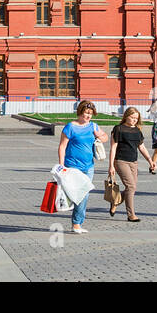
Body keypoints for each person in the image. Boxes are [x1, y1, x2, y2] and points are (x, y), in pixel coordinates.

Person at [57, 100, 108, 235]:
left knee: (84, 194)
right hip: (72, 166)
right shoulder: (70, 127)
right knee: (78, 194)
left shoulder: (93, 126)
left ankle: (77, 223)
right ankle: (76, 222)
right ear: (80, 112)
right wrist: (61, 165)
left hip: (89, 166)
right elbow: (62, 146)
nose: (88, 116)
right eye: (86, 113)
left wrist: (100, 136)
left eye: (90, 114)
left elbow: (105, 137)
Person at [106, 106, 154, 221]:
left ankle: (115, 202)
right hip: (121, 161)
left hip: (133, 162)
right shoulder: (118, 129)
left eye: (136, 118)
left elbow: (141, 147)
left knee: (131, 188)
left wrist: (150, 160)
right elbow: (113, 148)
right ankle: (131, 215)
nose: (134, 120)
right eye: (132, 117)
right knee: (131, 186)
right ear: (126, 116)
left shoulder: (137, 130)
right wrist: (111, 166)